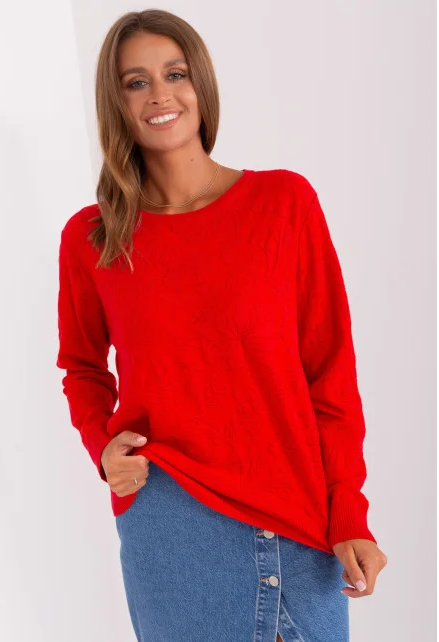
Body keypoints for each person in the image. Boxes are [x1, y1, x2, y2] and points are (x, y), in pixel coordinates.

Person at [56, 9, 388, 641]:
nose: (159, 95)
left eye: (175, 74)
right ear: (116, 103)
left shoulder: (284, 203)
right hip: (171, 517)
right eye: (136, 82)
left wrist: (349, 510)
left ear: (200, 84)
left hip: (298, 515)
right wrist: (103, 446)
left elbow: (329, 370)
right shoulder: (93, 237)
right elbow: (81, 366)